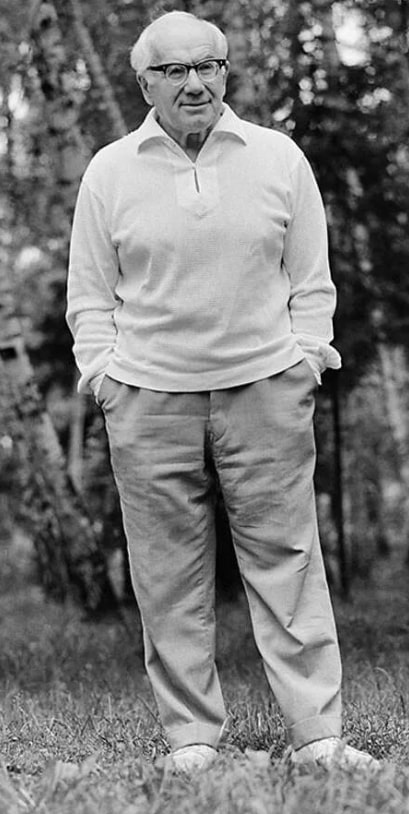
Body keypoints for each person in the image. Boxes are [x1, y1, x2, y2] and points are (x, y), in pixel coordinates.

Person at [66, 11, 378, 775]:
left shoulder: (276, 157)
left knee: (288, 561)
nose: (195, 83)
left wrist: (304, 360)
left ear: (224, 72)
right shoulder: (109, 171)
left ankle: (317, 736)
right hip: (147, 395)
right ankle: (192, 740)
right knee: (166, 573)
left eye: (208, 65)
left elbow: (310, 280)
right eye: (174, 70)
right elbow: (89, 295)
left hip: (265, 388)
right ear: (144, 84)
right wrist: (104, 377)